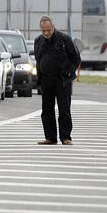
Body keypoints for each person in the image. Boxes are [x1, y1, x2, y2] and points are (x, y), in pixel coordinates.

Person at [33, 16, 81, 145]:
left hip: (62, 79)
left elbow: (76, 58)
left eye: (48, 30)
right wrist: (39, 79)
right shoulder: (38, 41)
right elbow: (38, 60)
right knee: (47, 110)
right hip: (46, 79)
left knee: (64, 109)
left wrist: (69, 71)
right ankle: (50, 137)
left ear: (53, 27)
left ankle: (65, 137)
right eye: (43, 31)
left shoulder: (64, 39)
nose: (46, 33)